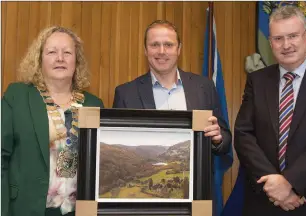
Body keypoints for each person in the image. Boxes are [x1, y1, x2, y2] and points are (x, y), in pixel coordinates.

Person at [234, 5, 306, 216]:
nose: (286, 45)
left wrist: (290, 182)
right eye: (278, 38)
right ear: (270, 43)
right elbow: (244, 134)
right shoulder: (257, 80)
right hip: (265, 200)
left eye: (293, 36)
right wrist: (274, 186)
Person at [1, 26, 104, 216]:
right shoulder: (17, 97)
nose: (60, 58)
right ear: (39, 59)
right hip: (28, 208)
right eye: (52, 52)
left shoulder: (93, 104)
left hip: (78, 211)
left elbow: (101, 166)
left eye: (67, 53)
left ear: (76, 61)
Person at [112, 20, 231, 155]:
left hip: (197, 175)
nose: (162, 51)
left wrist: (218, 139)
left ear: (178, 49)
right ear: (145, 50)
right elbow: (119, 147)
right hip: (145, 174)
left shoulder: (204, 87)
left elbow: (225, 140)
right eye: (154, 45)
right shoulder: (126, 94)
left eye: (168, 45)